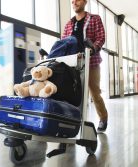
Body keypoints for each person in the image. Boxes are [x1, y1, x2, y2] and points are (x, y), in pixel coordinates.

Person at [62, 0, 108, 133]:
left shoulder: (94, 19)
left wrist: (93, 48)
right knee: (72, 94)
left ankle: (103, 118)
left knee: (95, 93)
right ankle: (72, 121)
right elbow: (64, 42)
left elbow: (100, 37)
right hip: (73, 64)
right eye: (72, 1)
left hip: (91, 62)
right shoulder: (69, 24)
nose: (74, 2)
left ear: (85, 2)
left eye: (77, 0)